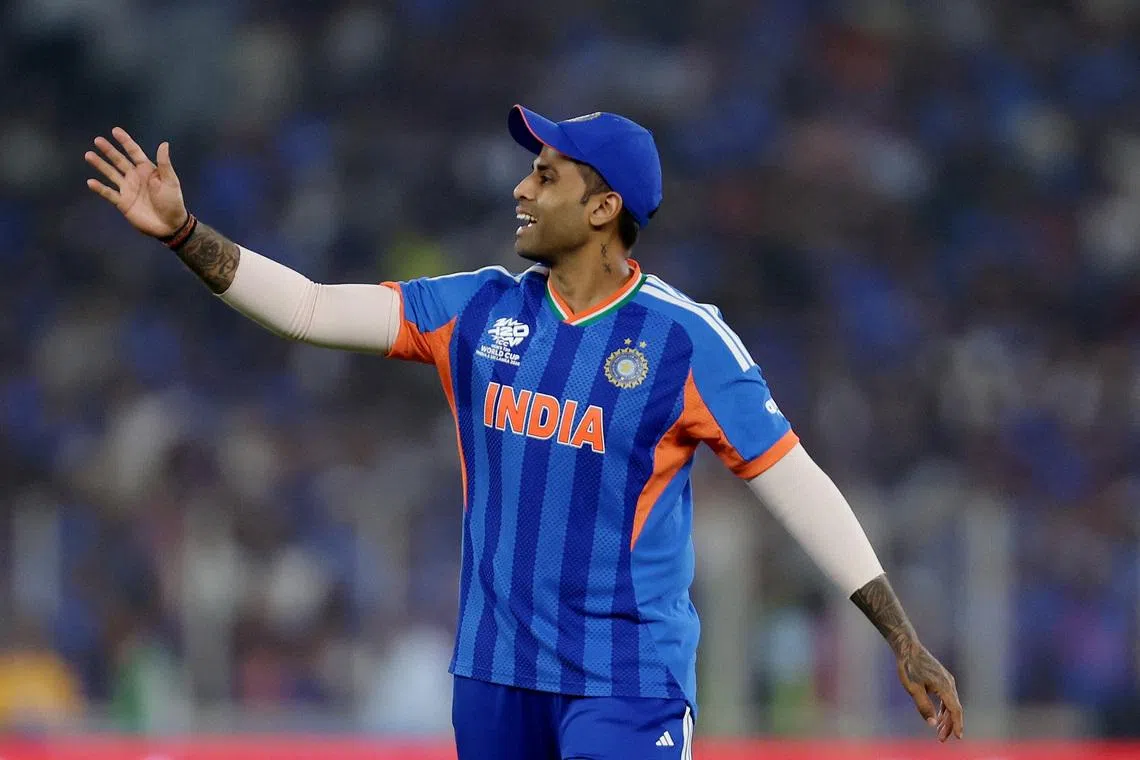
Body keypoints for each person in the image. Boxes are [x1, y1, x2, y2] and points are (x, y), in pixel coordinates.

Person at [85, 106, 964, 758]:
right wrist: (185, 235)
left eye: (545, 175)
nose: (520, 187)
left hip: (625, 682)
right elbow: (312, 308)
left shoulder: (684, 342)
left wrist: (902, 637)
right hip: (494, 678)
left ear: (601, 208)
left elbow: (797, 485)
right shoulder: (478, 308)